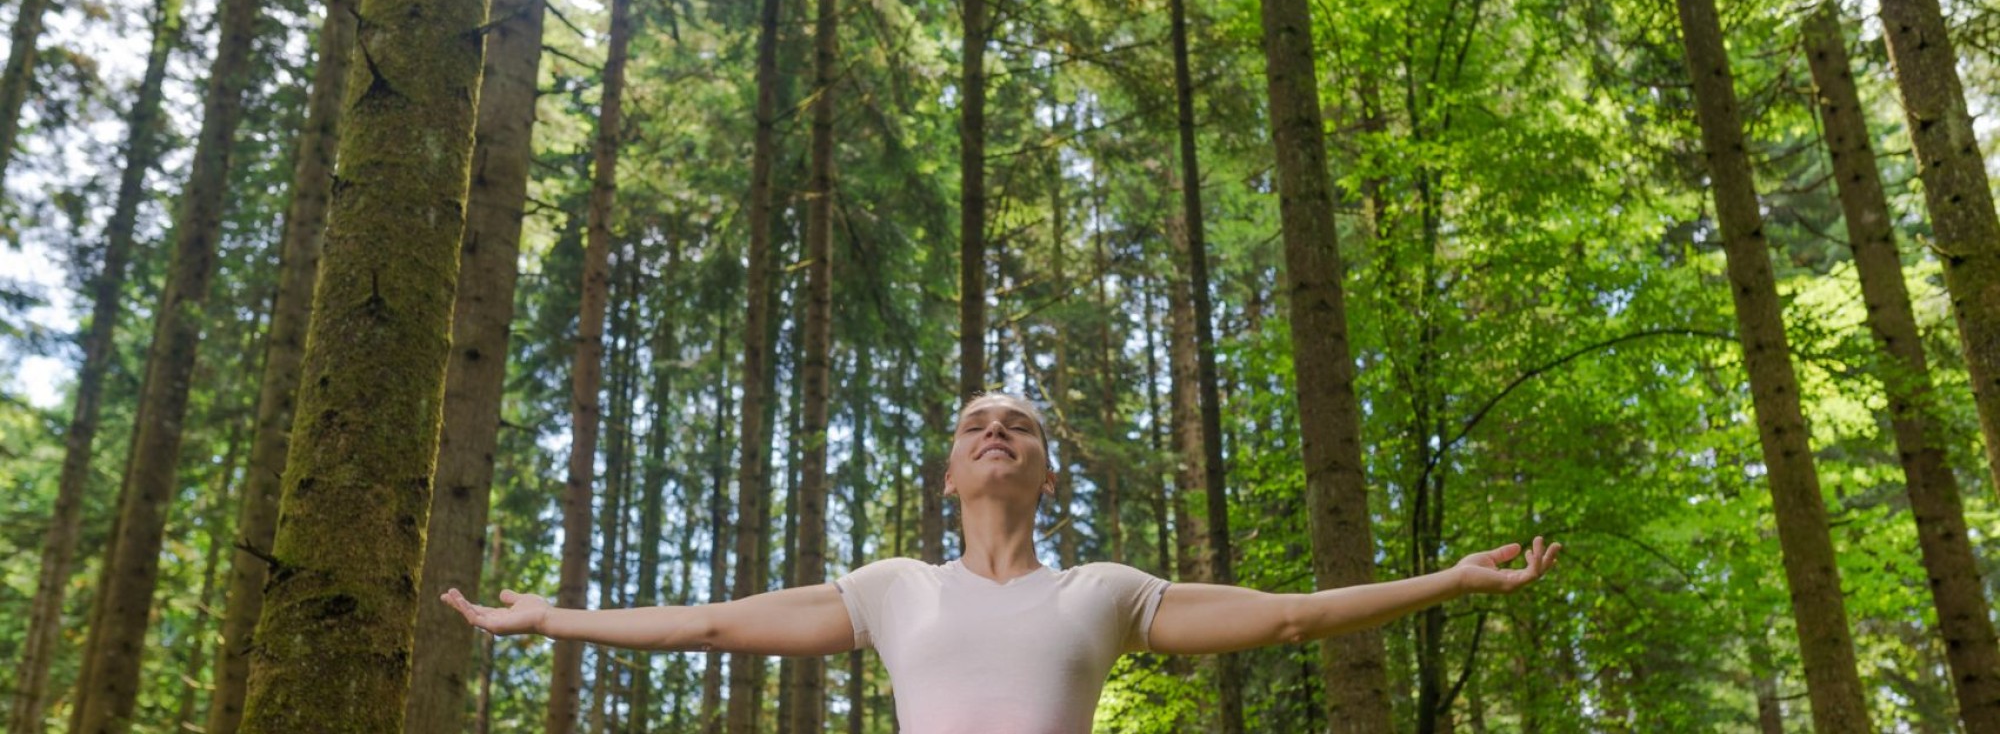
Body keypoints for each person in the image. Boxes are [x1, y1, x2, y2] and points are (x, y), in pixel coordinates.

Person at [443, 392, 1561, 732]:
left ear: (1043, 472)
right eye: (975, 421)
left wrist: (1450, 579)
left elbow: (1284, 616)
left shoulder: (1105, 591)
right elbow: (712, 623)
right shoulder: (892, 586)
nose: (994, 429)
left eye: (1017, 425)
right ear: (946, 472)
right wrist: (552, 619)